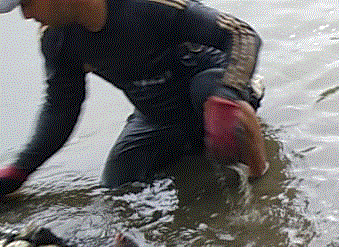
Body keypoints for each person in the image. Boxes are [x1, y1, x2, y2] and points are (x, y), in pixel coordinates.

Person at [0, 0, 267, 194]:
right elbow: (61, 108)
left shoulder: (145, 5)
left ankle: (263, 178)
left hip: (212, 93)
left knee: (209, 91)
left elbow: (241, 35)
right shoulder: (57, 40)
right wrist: (23, 168)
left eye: (27, 3)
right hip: (156, 116)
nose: (26, 15)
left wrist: (227, 94)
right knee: (114, 188)